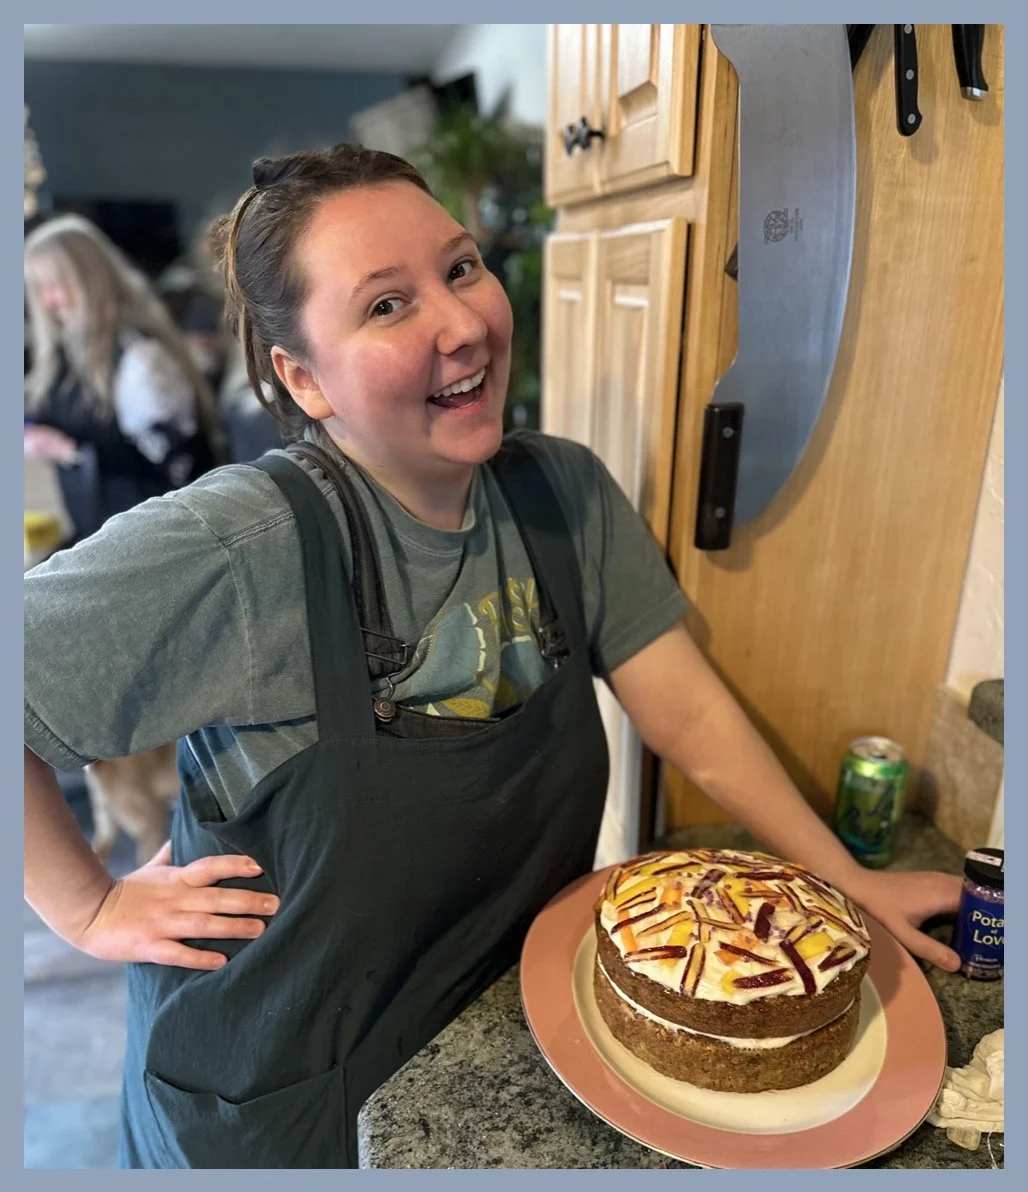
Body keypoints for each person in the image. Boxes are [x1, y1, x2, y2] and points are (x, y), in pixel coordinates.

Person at [23, 142, 961, 1170]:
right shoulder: (244, 546)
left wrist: (838, 877)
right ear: (303, 378)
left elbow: (684, 711)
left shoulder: (562, 495)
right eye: (385, 306)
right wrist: (88, 903)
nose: (463, 323)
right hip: (275, 1088)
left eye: (460, 268)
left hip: (484, 1035)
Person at [24, 215, 220, 543]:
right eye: (40, 290)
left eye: (56, 286)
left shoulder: (141, 358)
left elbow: (173, 474)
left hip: (152, 539)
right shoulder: (61, 355)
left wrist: (69, 451)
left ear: (89, 279)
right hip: (99, 533)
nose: (48, 302)